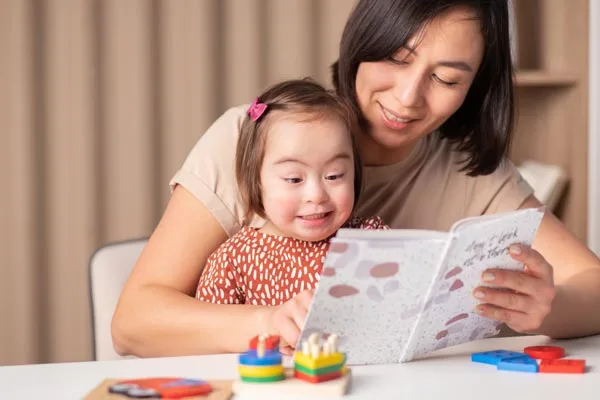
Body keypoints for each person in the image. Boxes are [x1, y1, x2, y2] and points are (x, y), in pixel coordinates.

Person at [112, 0, 600, 358]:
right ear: (362, 42)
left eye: (447, 79)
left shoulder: (471, 170)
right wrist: (268, 321)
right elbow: (134, 322)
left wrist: (548, 305)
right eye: (396, 58)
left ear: (474, 88)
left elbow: (594, 285)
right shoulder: (256, 137)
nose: (408, 97)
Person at [194, 79, 387, 314]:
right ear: (256, 180)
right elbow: (212, 336)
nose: (316, 195)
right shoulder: (233, 261)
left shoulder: (371, 242)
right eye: (294, 179)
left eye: (335, 175)